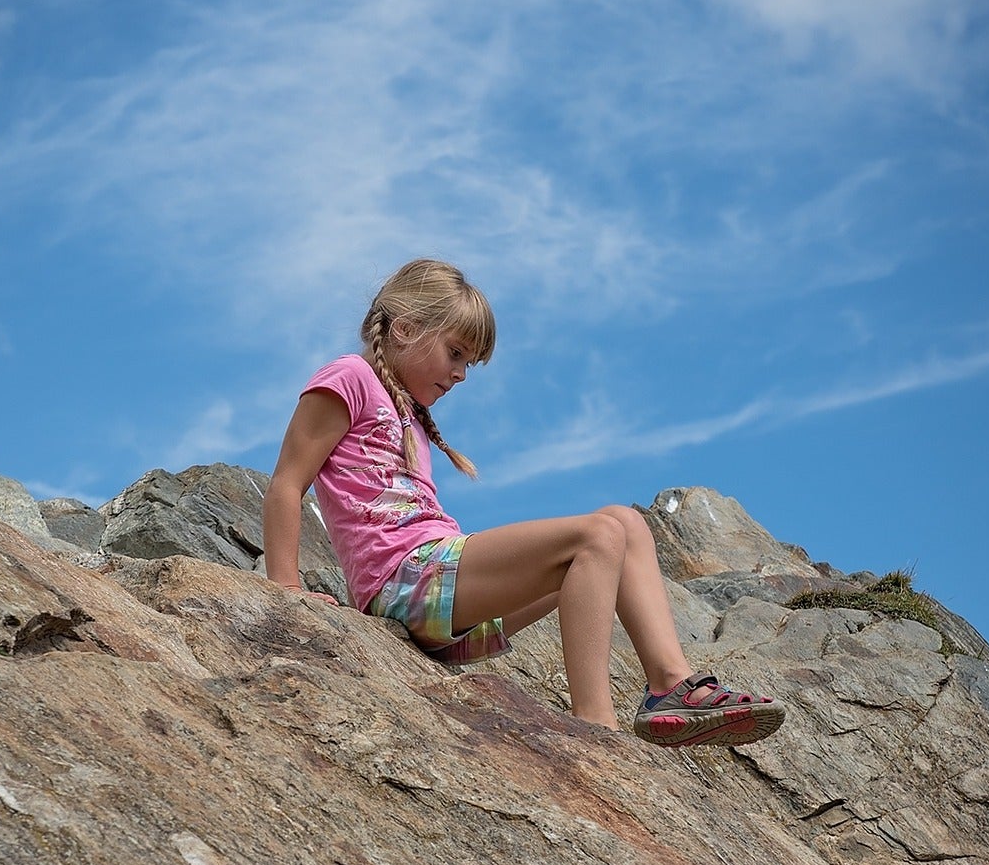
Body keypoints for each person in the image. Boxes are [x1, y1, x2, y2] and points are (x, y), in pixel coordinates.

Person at [262, 259, 785, 749]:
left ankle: (671, 683)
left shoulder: (409, 416)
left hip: (443, 600)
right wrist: (287, 589)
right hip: (405, 585)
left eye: (469, 361)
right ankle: (595, 723)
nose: (461, 374)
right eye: (456, 353)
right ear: (403, 329)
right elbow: (288, 483)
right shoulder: (349, 377)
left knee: (622, 524)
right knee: (597, 537)